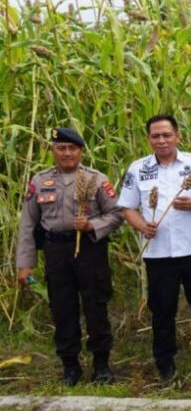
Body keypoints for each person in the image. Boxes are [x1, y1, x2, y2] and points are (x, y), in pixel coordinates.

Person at [118, 115, 191, 381]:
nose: (162, 140)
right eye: (155, 136)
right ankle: (164, 361)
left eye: (167, 135)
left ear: (177, 135)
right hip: (158, 254)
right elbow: (126, 208)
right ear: (149, 139)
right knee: (162, 308)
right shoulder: (138, 168)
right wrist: (143, 226)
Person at [16, 128, 123, 386]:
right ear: (53, 151)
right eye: (61, 148)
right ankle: (70, 365)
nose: (67, 153)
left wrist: (92, 226)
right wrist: (25, 263)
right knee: (62, 308)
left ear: (81, 151)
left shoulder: (96, 180)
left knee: (95, 307)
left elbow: (117, 214)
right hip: (56, 252)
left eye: (72, 148)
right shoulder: (40, 181)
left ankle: (101, 364)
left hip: (90, 249)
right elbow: (28, 224)